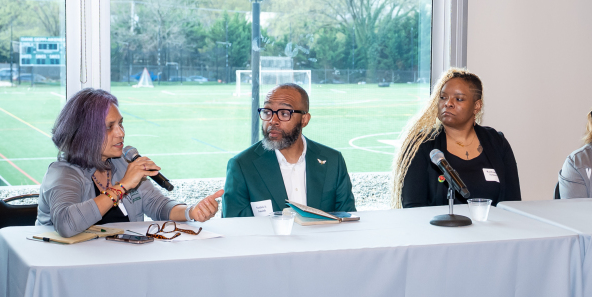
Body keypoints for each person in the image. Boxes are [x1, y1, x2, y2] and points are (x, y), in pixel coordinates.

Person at [37, 89, 223, 237]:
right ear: (86, 133)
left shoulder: (122, 164)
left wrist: (192, 212)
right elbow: (67, 224)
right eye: (110, 127)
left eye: (121, 124)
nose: (121, 133)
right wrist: (123, 186)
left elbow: (158, 206)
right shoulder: (63, 172)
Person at [392, 68, 521, 208]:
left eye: (458, 99)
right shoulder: (422, 145)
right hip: (438, 229)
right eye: (443, 97)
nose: (448, 103)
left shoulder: (497, 142)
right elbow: (413, 207)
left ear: (476, 106)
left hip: (493, 229)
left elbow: (512, 203)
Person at [223, 83, 355, 216]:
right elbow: (235, 226)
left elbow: (348, 219)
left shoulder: (333, 161)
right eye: (267, 112)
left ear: (304, 119)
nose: (273, 120)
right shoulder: (242, 166)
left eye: (284, 113)